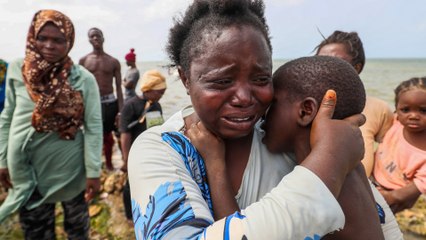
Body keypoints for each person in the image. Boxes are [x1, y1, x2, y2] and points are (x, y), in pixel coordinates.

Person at [128, 1, 367, 239]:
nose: (244, 98)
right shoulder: (161, 149)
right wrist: (329, 164)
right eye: (222, 81)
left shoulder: (288, 138)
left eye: (261, 79)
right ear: (185, 78)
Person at [0, 10, 102, 239]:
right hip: (27, 172)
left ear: (70, 42)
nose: (49, 45)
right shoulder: (18, 69)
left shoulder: (83, 79)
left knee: (77, 230)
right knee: (36, 233)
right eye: (42, 38)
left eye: (58, 40)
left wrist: (94, 172)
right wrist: (3, 159)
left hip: (70, 172)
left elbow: (94, 127)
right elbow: (7, 117)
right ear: (32, 37)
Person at [315, 30, 394, 177]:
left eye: (337, 63)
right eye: (320, 62)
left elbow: (394, 153)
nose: (326, 69)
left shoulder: (378, 109)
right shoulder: (306, 108)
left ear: (357, 68)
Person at [372, 77, 426, 214]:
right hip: (371, 178)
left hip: (392, 194)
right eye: (406, 110)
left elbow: (419, 185)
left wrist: (389, 198)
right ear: (396, 110)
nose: (413, 116)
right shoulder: (396, 123)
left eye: (423, 111)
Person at [119, 69, 166, 220]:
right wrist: (126, 159)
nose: (161, 95)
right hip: (134, 151)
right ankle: (129, 216)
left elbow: (159, 128)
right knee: (130, 184)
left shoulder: (156, 106)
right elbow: (125, 134)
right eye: (159, 92)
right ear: (148, 89)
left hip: (152, 151)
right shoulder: (131, 105)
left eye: (163, 92)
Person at [79, 27, 123, 171]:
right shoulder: (84, 61)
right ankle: (94, 164)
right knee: (92, 134)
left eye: (98, 36)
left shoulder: (113, 61)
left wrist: (121, 111)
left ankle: (110, 164)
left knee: (110, 135)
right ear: (89, 40)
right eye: (92, 36)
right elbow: (79, 87)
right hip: (91, 103)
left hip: (110, 103)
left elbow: (119, 87)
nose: (96, 39)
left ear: (103, 38)